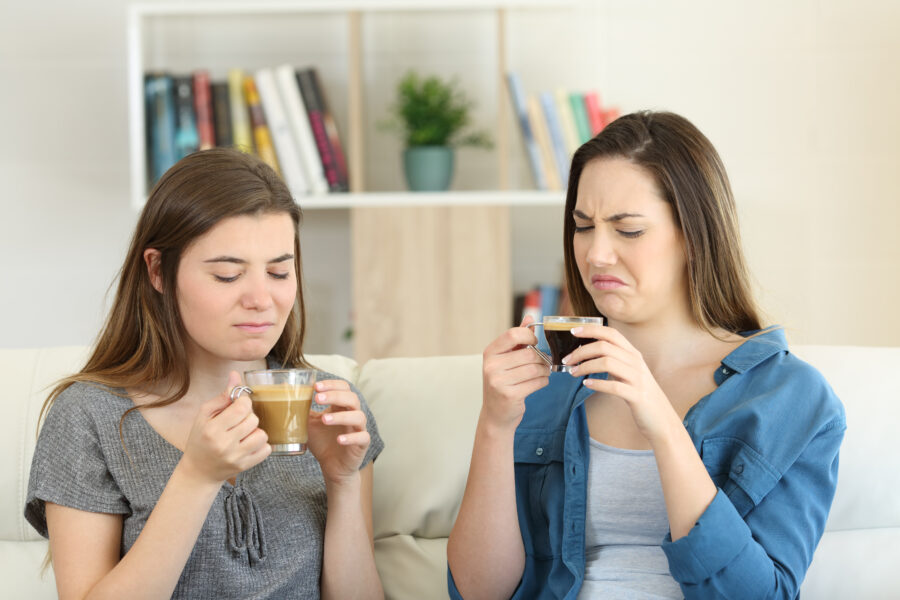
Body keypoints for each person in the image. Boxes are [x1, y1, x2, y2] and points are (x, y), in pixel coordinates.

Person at [447, 111, 845, 599]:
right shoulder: (544, 382)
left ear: (694, 238)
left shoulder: (792, 399)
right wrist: (494, 426)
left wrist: (661, 421)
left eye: (628, 230)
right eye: (583, 226)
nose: (595, 254)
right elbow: (477, 593)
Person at [25, 148, 384, 599]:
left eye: (278, 271)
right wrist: (196, 477)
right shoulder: (88, 417)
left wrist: (343, 481)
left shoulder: (332, 406)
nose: (261, 299)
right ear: (158, 271)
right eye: (228, 276)